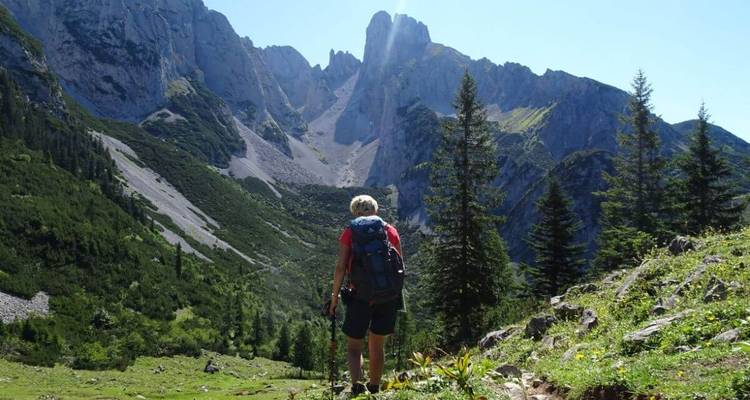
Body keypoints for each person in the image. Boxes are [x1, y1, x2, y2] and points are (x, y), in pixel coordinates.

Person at [328, 195, 402, 396]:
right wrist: (397, 296)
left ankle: (357, 385)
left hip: (360, 295)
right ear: (376, 210)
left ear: (355, 212)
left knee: (354, 345)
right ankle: (375, 387)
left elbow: (340, 266)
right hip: (387, 296)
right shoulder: (390, 231)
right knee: (377, 344)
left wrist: (334, 297)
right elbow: (400, 266)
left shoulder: (350, 231)